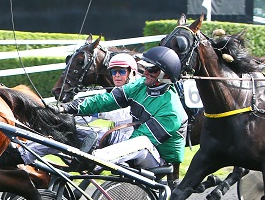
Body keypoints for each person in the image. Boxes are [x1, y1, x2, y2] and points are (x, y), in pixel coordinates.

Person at [53, 46, 187, 170]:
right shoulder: (141, 86)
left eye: (151, 70)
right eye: (145, 68)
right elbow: (105, 101)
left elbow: (140, 138)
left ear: (166, 76)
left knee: (141, 141)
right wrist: (67, 108)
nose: (145, 72)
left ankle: (93, 159)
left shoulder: (171, 111)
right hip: (138, 148)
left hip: (160, 160)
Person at [16, 52, 139, 165]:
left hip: (125, 142)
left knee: (64, 132)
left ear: (132, 72)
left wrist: (94, 112)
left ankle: (21, 154)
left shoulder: (136, 90)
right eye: (113, 72)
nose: (117, 76)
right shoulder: (118, 91)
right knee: (61, 126)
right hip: (113, 135)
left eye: (121, 72)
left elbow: (123, 113)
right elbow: (89, 116)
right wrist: (61, 117)